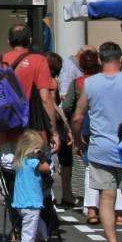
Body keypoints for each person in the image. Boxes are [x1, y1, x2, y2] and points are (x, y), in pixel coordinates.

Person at [72, 42, 122, 242]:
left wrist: (77, 140)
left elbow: (78, 117)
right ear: (121, 59)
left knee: (106, 196)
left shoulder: (90, 83)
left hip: (101, 147)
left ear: (101, 61)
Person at [0, 24, 60, 154]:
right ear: (30, 40)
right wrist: (54, 131)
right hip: (32, 132)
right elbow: (45, 98)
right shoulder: (39, 60)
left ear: (9, 42)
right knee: (32, 172)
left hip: (5, 131)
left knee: (10, 173)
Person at [64, 46, 105, 224]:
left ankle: (88, 205)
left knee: (83, 167)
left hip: (80, 128)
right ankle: (108, 206)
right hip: (101, 127)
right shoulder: (104, 81)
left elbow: (67, 107)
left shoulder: (78, 83)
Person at [13, 129, 52, 242]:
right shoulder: (32, 161)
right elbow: (47, 169)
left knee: (40, 231)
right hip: (31, 204)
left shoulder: (21, 160)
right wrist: (42, 157)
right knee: (29, 235)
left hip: (21, 203)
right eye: (40, 150)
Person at [46, 51, 77, 208]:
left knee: (47, 160)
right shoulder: (52, 82)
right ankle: (66, 194)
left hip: (39, 123)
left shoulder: (36, 81)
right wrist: (65, 122)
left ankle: (49, 193)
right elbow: (52, 102)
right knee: (63, 159)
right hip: (53, 125)